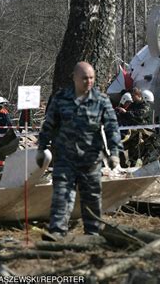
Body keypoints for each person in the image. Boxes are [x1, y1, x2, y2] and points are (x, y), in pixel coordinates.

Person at [36, 61, 122, 239]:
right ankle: (57, 232)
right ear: (74, 78)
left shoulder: (101, 100)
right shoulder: (61, 99)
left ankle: (92, 233)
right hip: (65, 158)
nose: (88, 81)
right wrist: (41, 148)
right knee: (62, 195)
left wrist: (114, 153)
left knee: (91, 196)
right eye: (84, 78)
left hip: (91, 160)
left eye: (91, 78)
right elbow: (49, 124)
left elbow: (112, 127)